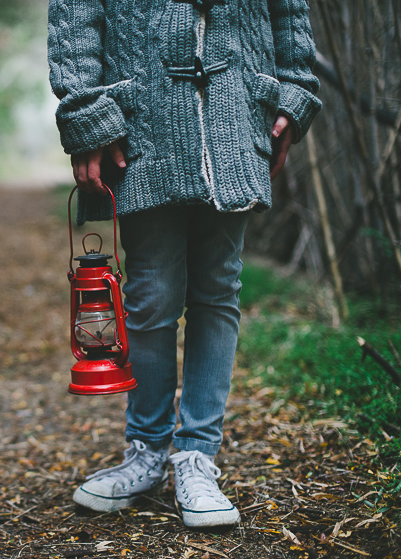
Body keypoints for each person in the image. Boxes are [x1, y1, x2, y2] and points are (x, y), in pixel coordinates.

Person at [47, 0, 321, 528]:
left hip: (238, 116)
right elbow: (75, 11)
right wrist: (84, 111)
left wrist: (296, 89)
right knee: (151, 290)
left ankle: (197, 457)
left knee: (219, 289)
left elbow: (289, 9)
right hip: (140, 119)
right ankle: (146, 451)